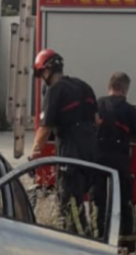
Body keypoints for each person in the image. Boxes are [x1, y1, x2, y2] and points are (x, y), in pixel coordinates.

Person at [29, 49, 99, 238]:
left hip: (70, 153)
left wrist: (34, 154)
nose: (42, 79)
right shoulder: (84, 86)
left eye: (41, 74)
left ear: (47, 71)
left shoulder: (55, 90)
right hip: (90, 152)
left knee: (69, 204)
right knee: (80, 201)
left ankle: (80, 243)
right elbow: (97, 120)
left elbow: (45, 128)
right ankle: (87, 238)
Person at [93, 72, 136, 253]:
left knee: (98, 201)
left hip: (98, 159)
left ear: (110, 87)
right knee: (125, 202)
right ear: (125, 89)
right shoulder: (130, 110)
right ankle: (127, 245)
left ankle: (98, 241)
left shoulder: (98, 105)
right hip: (121, 161)